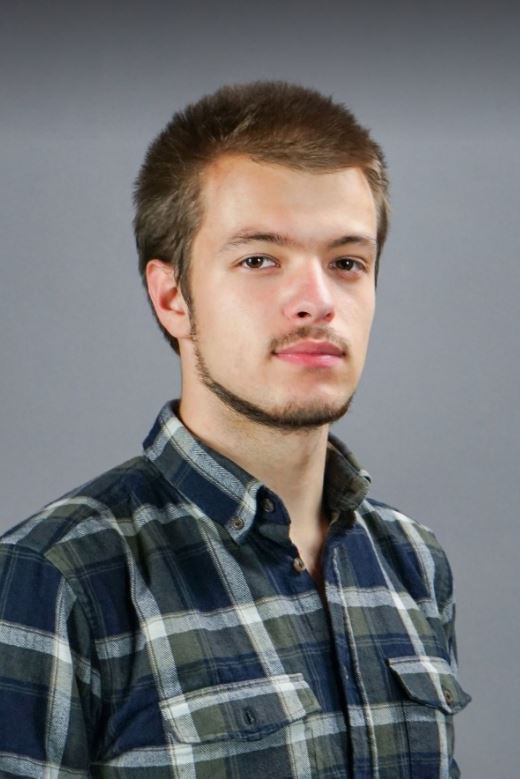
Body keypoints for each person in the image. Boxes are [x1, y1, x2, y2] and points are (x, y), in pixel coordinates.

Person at [0, 81, 470, 777]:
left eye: (347, 262)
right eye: (259, 259)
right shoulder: (56, 577)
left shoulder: (414, 563)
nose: (317, 301)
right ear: (172, 297)